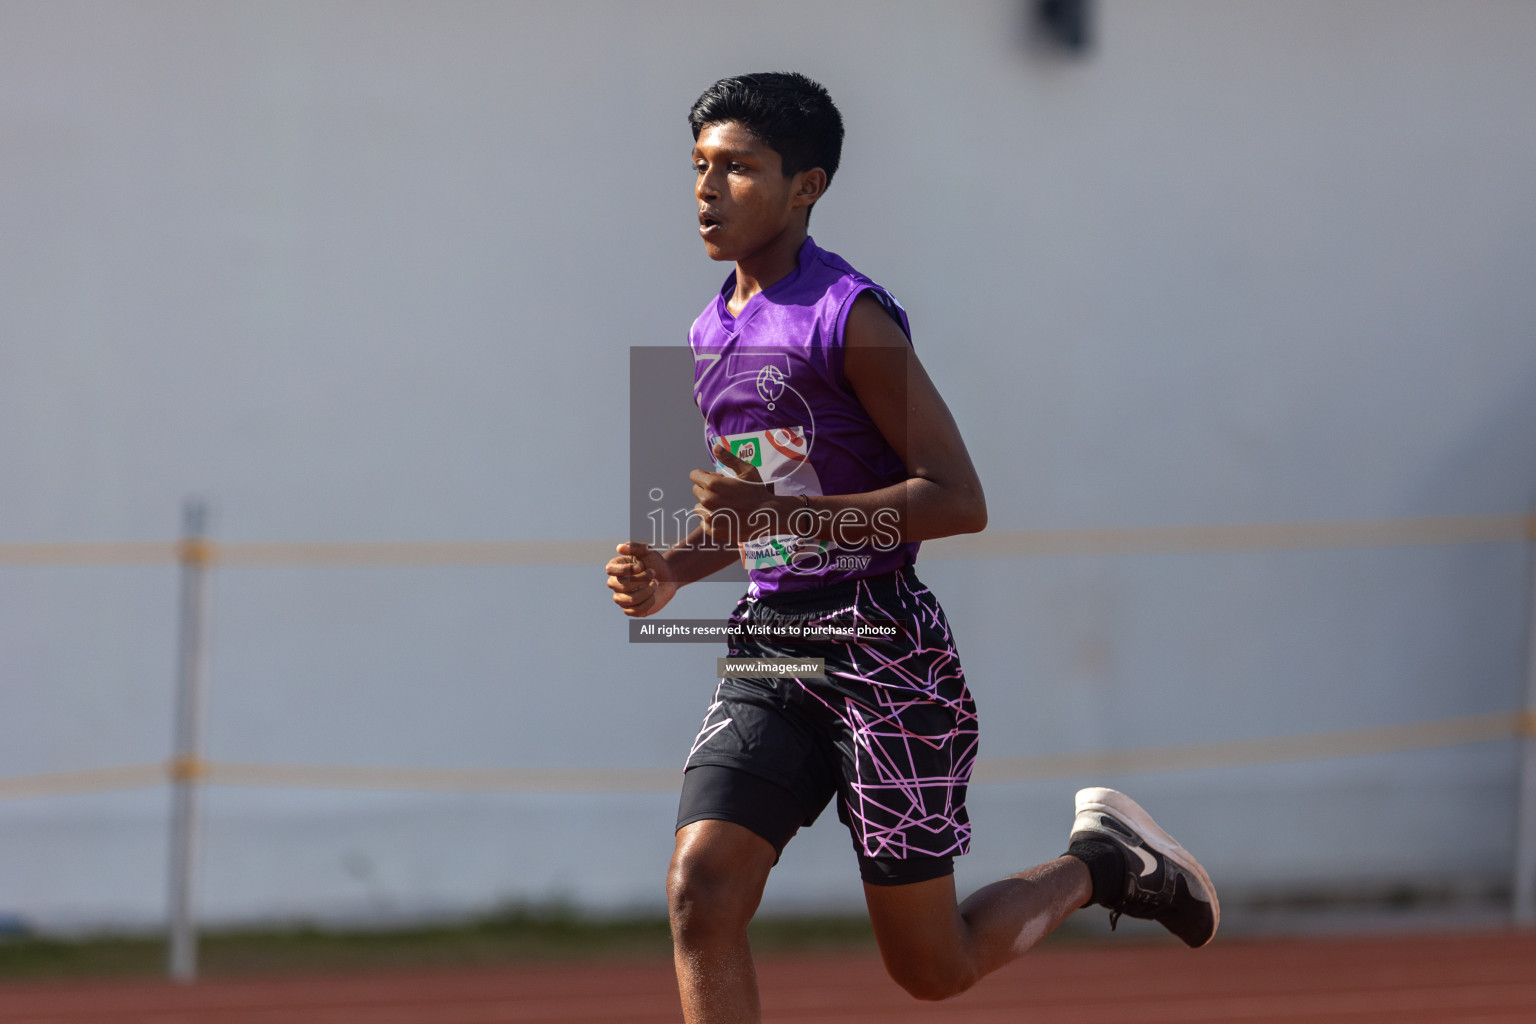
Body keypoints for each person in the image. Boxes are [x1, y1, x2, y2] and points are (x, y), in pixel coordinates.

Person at [606, 72, 1217, 1024]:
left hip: (886, 654)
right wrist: (675, 567)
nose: (708, 188)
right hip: (773, 645)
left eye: (738, 168)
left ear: (806, 185)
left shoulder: (849, 316)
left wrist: (783, 516)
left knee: (931, 969)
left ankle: (1102, 866)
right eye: (699, 166)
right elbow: (765, 497)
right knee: (702, 887)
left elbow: (957, 499)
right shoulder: (709, 329)